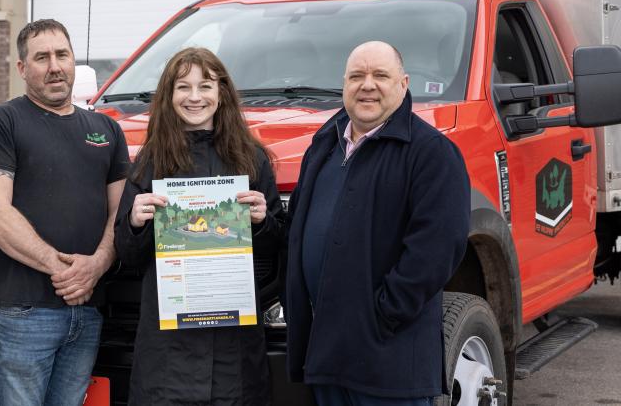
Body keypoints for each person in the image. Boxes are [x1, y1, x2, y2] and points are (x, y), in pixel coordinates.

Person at [285, 41, 470, 405]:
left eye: (380, 75)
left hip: (388, 363)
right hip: (327, 357)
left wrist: (381, 316)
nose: (367, 85)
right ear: (344, 84)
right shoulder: (324, 144)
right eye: (357, 76)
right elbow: (297, 230)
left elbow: (436, 250)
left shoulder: (431, 152)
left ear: (403, 83)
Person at [0, 19, 128, 405]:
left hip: (88, 308)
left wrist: (96, 266)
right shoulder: (0, 123)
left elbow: (119, 214)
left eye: (62, 55)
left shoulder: (107, 130)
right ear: (23, 68)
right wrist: (66, 272)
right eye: (42, 58)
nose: (55, 66)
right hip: (24, 310)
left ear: (74, 61)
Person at [115, 47, 285, 405]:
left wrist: (262, 222)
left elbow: (278, 246)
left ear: (221, 93)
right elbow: (128, 255)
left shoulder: (251, 158)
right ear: (169, 95)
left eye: (205, 86)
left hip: (232, 346)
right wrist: (134, 222)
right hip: (168, 348)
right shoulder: (151, 160)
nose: (195, 97)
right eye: (183, 87)